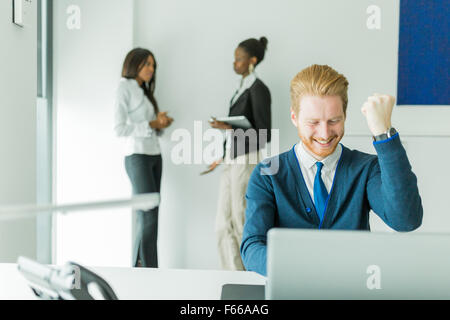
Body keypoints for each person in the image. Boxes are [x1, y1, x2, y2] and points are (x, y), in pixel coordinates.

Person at [241, 64, 423, 276]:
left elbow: (406, 220)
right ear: (294, 117)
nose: (325, 133)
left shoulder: (365, 168)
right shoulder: (268, 173)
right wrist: (303, 273)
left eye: (334, 121)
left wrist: (383, 133)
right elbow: (252, 247)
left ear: (345, 115)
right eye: (313, 122)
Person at [206, 37, 272, 271]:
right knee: (222, 223)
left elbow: (264, 134)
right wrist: (223, 156)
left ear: (252, 61)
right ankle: (231, 276)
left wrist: (230, 127)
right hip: (232, 158)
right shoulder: (240, 89)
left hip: (247, 159)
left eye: (239, 59)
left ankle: (251, 275)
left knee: (240, 218)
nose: (235, 63)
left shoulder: (259, 89)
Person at [114, 48, 173, 268]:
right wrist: (151, 124)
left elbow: (152, 129)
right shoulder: (124, 87)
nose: (151, 69)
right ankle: (147, 269)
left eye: (153, 65)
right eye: (147, 64)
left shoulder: (145, 91)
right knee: (147, 217)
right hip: (137, 156)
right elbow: (119, 129)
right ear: (134, 64)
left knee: (152, 216)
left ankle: (143, 268)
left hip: (154, 155)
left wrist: (160, 124)